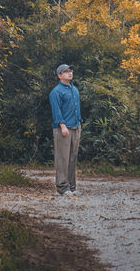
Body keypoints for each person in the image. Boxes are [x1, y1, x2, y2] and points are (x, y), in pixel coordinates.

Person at [49, 64, 82, 196]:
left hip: (75, 127)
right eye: (66, 71)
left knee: (72, 158)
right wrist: (62, 126)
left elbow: (76, 109)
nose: (70, 73)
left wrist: (79, 123)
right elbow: (56, 111)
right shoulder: (56, 92)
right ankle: (62, 188)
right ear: (59, 75)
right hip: (63, 128)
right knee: (62, 158)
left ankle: (72, 187)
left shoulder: (75, 90)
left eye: (70, 71)